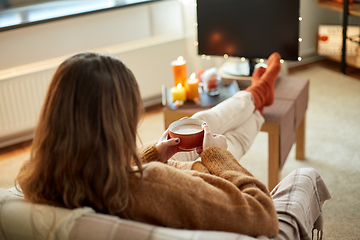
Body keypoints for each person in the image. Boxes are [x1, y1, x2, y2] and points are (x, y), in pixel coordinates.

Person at [15, 52, 331, 239]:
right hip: (210, 188)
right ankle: (259, 95)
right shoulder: (151, 184)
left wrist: (153, 152)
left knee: (202, 124)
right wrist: (217, 158)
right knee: (222, 142)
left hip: (182, 178)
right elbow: (263, 214)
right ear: (118, 124)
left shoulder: (35, 176)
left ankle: (258, 98)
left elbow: (105, 175)